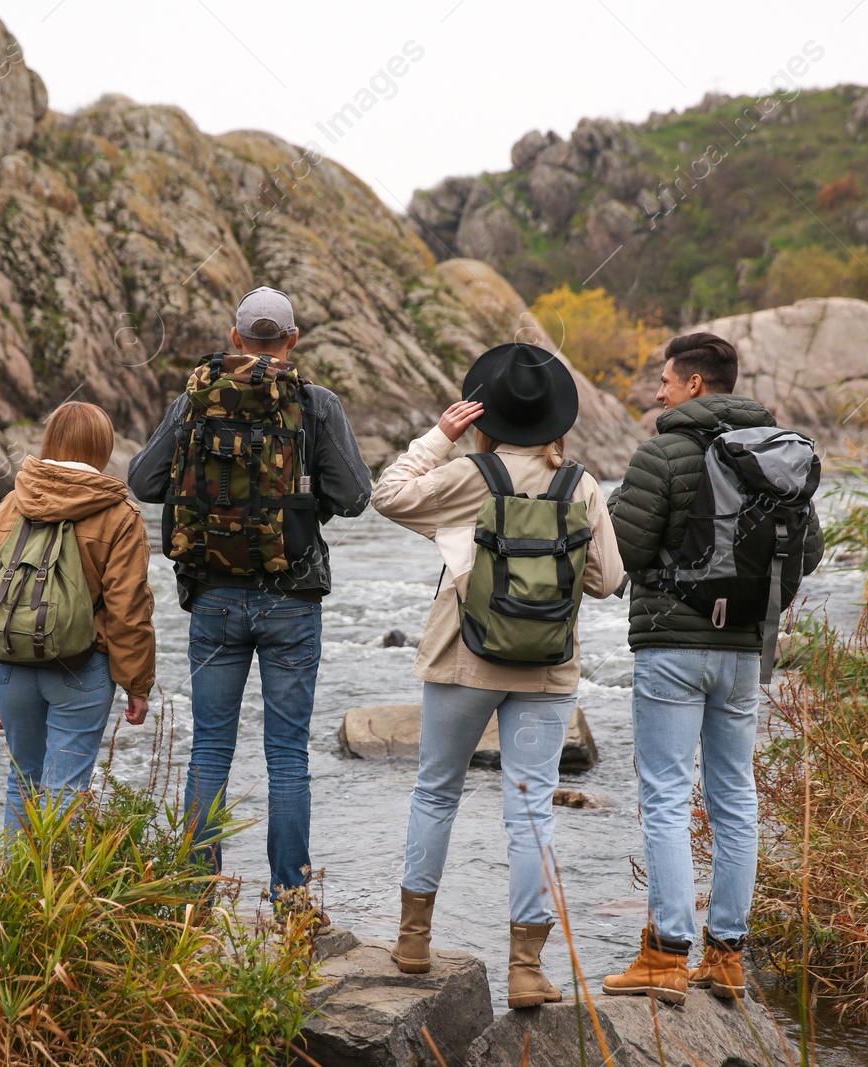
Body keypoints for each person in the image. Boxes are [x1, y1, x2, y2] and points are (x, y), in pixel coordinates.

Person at [371, 343, 624, 1010]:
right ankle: (524, 968)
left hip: (462, 657)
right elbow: (609, 581)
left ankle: (413, 943)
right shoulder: (583, 484)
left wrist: (440, 435)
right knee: (531, 811)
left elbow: (387, 494)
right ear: (555, 420)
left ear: (487, 414)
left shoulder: (467, 474)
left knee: (435, 792)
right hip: (546, 669)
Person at [127, 286, 370, 906]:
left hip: (213, 597)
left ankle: (195, 890)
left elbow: (143, 481)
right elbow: (356, 497)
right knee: (287, 754)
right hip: (292, 599)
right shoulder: (315, 404)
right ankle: (288, 894)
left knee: (210, 746)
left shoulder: (196, 398)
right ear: (292, 340)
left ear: (236, 339)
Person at [602, 333, 823, 1004]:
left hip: (673, 647)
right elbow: (807, 553)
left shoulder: (663, 452)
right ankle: (726, 956)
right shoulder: (776, 454)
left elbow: (622, 549)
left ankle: (667, 955)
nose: (658, 391)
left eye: (666, 379)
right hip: (743, 654)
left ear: (696, 384)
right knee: (735, 799)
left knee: (667, 797)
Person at [0, 401, 156, 829]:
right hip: (80, 665)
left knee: (22, 783)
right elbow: (128, 608)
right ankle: (55, 893)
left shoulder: (15, 502)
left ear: (50, 439)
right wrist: (137, 683)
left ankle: (13, 894)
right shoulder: (119, 513)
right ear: (103, 447)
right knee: (65, 792)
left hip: (12, 663)